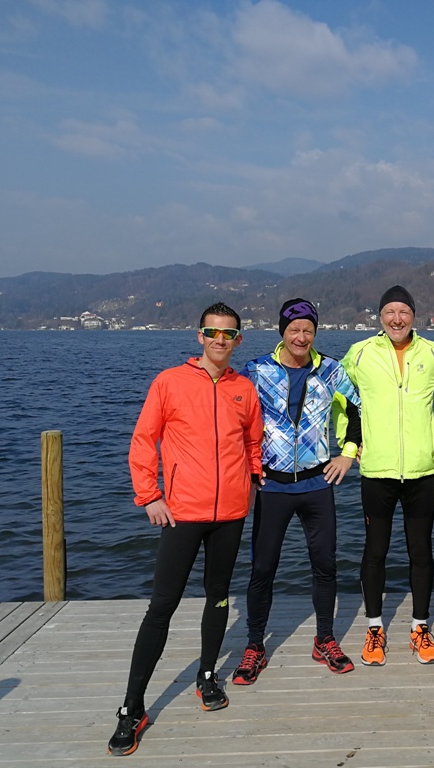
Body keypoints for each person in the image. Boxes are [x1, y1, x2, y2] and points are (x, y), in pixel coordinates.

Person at [107, 302, 262, 756]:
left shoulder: (243, 389)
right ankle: (132, 707)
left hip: (230, 513)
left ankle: (208, 674)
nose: (220, 340)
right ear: (200, 336)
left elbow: (252, 442)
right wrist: (149, 495)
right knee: (162, 605)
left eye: (228, 334)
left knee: (219, 596)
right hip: (181, 512)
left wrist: (252, 482)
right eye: (212, 332)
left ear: (238, 340)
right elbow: (143, 440)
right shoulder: (169, 382)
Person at [233, 298, 362, 684]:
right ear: (282, 332)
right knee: (263, 568)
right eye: (294, 330)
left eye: (308, 330)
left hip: (317, 483)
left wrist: (348, 454)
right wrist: (247, 467)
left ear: (315, 333)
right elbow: (236, 418)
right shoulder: (257, 370)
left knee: (325, 565)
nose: (301, 337)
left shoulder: (331, 371)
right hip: (271, 484)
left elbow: (358, 409)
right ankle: (255, 645)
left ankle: (325, 639)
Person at [340, 285, 434, 666]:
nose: (397, 319)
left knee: (421, 552)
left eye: (403, 311)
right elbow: (342, 399)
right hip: (377, 470)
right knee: (375, 551)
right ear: (380, 317)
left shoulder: (433, 353)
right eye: (389, 311)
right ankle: (375, 628)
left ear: (414, 316)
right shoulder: (360, 353)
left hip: (421, 471)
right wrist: (350, 443)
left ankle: (420, 627)